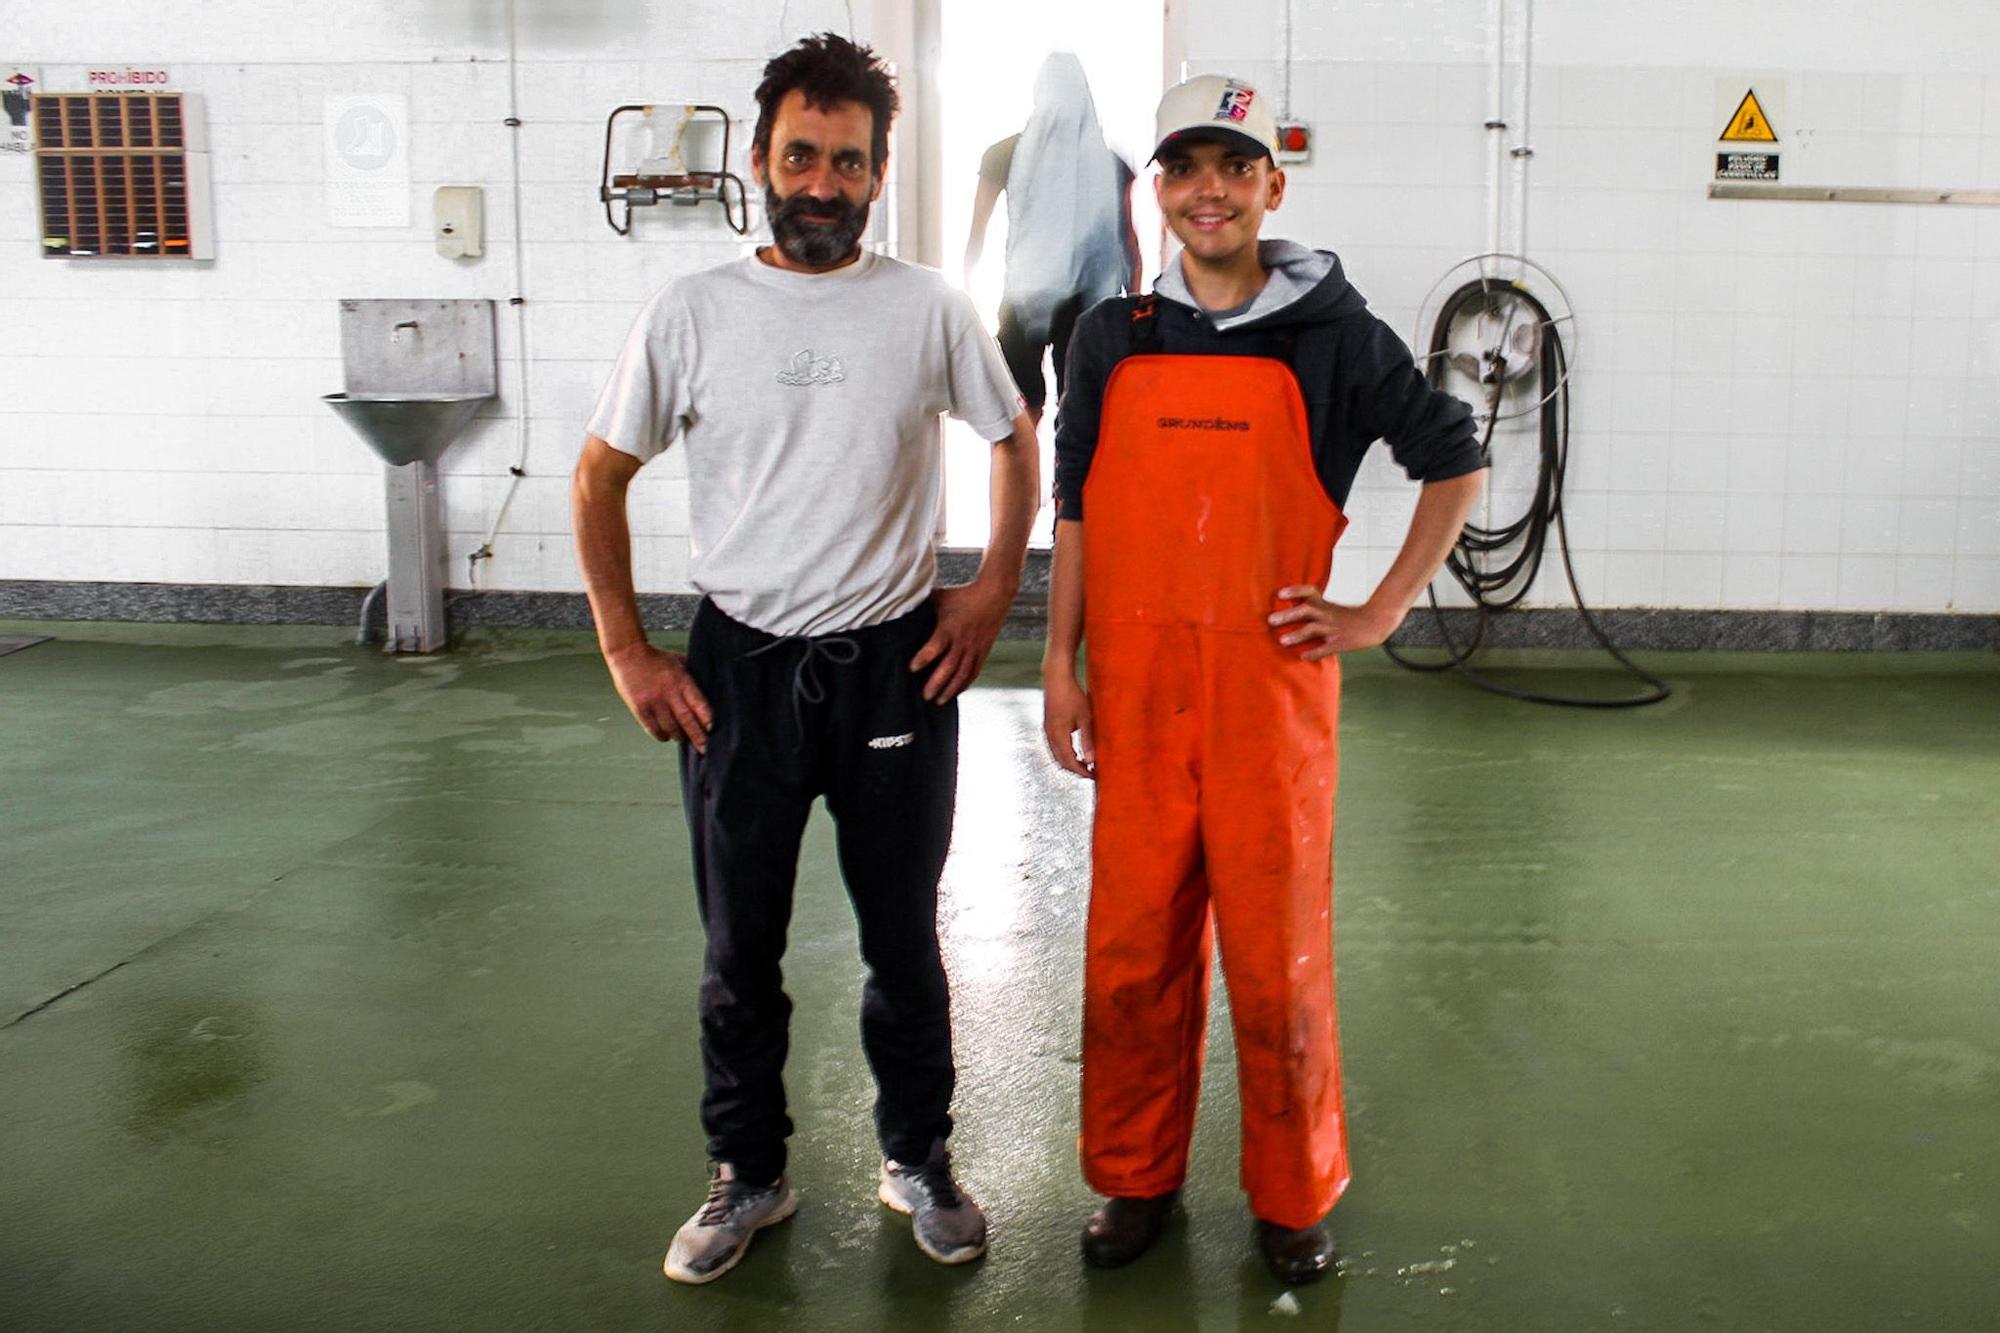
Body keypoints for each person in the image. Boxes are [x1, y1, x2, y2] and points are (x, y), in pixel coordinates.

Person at [572, 32, 1039, 1286]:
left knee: (902, 938)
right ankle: (749, 1175)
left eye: (845, 160)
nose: (820, 182)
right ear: (762, 160)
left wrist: (990, 588)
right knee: (740, 951)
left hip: (895, 665)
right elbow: (599, 473)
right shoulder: (692, 311)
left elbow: (1012, 435)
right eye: (799, 155)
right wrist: (625, 646)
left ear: (879, 172)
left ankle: (918, 1158)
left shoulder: (928, 308)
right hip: (741, 675)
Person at [1040, 74, 1489, 1284]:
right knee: (1131, 952)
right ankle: (1134, 1181)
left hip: (1267, 701)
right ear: (1157, 191)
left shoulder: (1336, 337)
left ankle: (1292, 1196)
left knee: (1275, 953)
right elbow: (1074, 505)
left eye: (1233, 167)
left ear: (1268, 187)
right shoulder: (1110, 336)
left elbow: (1451, 459)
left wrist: (1381, 606)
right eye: (1185, 167)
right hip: (1132, 691)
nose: (1208, 190)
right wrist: (1057, 665)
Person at [963, 52, 1141, 426]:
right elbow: (1128, 242)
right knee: (1063, 404)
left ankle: (1030, 481)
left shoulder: (1006, 152)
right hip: (1080, 297)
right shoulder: (1108, 163)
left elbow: (977, 230)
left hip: (1032, 292)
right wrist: (1132, 304)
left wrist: (968, 287)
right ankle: (1056, 482)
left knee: (1031, 406)